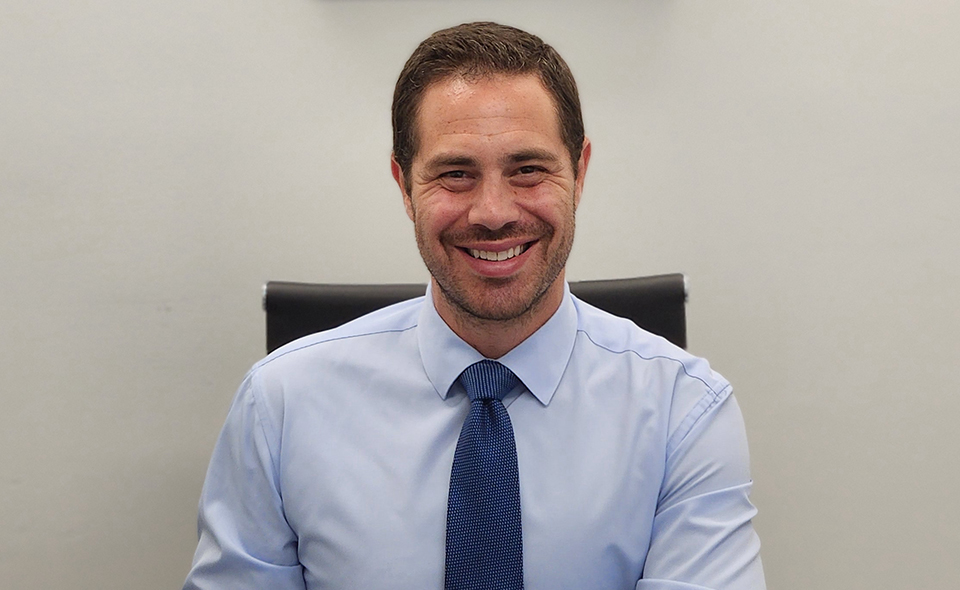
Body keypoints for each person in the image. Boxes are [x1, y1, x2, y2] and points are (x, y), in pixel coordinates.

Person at [183, 22, 766, 590]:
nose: (493, 211)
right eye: (455, 174)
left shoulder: (683, 413)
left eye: (529, 170)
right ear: (404, 186)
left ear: (580, 173)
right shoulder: (280, 405)